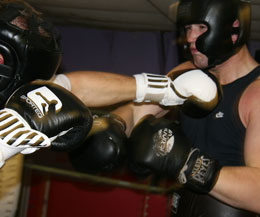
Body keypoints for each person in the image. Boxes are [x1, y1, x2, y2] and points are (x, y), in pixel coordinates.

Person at [62, 0, 260, 216]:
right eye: (188, 28)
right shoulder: (187, 73)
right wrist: (114, 124)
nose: (191, 38)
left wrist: (187, 163)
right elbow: (138, 109)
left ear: (233, 31)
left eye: (201, 28)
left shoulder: (255, 94)